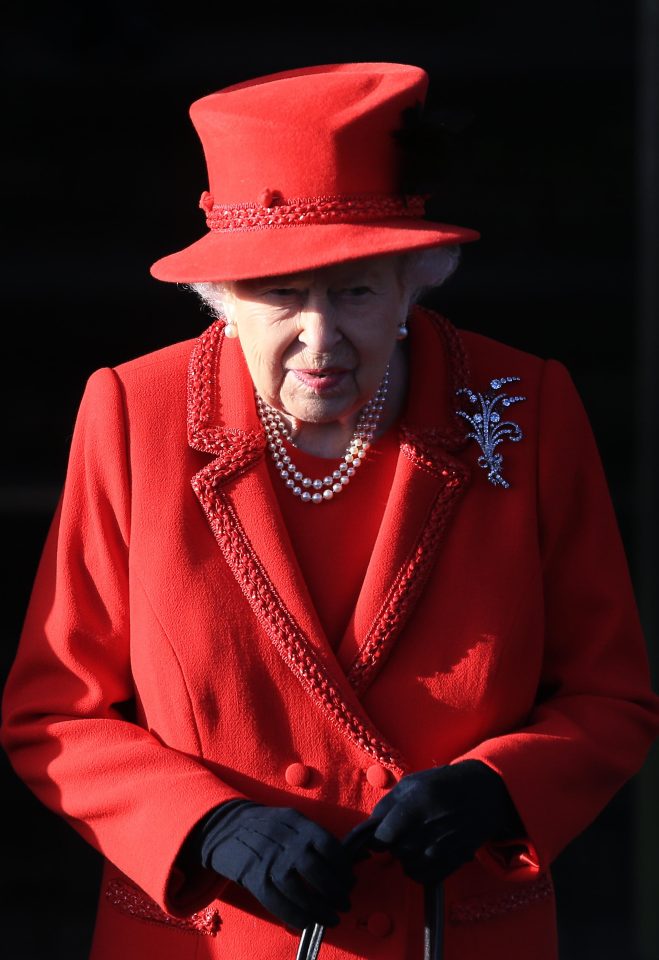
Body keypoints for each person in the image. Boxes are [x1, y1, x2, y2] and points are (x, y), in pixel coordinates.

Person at [1, 61, 658, 960]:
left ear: (411, 283)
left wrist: (501, 789)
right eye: (279, 294)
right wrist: (205, 826)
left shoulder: (524, 404)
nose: (319, 337)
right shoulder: (132, 414)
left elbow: (610, 694)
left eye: (354, 289)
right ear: (223, 299)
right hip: (215, 936)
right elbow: (52, 714)